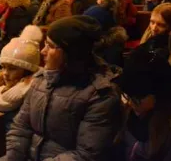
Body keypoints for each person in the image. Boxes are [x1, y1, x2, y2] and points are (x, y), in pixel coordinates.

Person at [6, 15, 122, 160]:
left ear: (71, 53)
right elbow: (21, 128)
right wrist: (13, 156)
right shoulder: (41, 79)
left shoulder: (100, 95)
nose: (43, 51)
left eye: (51, 46)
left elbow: (87, 154)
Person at [114, 46, 171, 161]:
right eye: (128, 95)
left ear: (159, 94)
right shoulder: (132, 114)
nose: (131, 103)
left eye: (138, 97)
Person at [0, 25, 42, 131]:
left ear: (26, 71)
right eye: (3, 67)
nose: (5, 73)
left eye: (12, 69)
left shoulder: (30, 94)